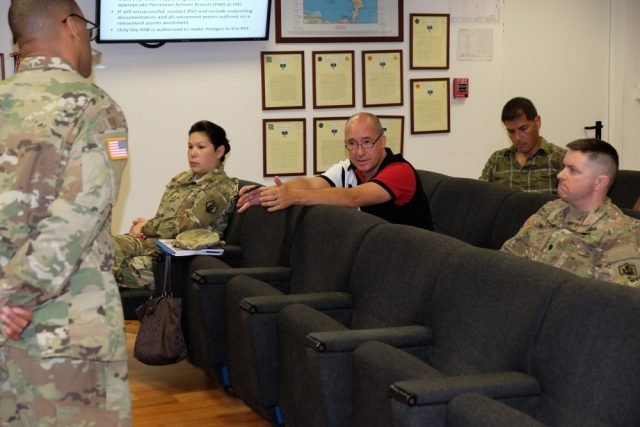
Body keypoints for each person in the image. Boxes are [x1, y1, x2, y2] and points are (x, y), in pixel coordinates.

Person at [0, 0, 132, 424]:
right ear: (73, 26)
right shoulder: (95, 107)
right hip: (68, 335)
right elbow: (76, 217)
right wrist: (13, 298)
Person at [237, 112, 433, 229]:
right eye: (352, 144)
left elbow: (353, 198)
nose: (359, 152)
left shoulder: (400, 172)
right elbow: (311, 184)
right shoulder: (348, 168)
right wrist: (275, 191)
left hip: (415, 260)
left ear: (382, 141)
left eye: (367, 142)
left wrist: (293, 197)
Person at [113, 120, 239, 288]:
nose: (193, 153)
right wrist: (147, 229)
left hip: (179, 256)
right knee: (102, 247)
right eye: (190, 146)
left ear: (219, 151)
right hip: (155, 243)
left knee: (110, 272)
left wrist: (146, 227)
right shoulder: (181, 179)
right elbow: (165, 218)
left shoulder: (221, 187)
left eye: (201, 147)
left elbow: (188, 225)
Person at [502, 138, 640, 287]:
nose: (560, 175)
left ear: (600, 182)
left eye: (572, 170)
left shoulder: (618, 234)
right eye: (564, 167)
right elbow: (507, 258)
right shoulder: (550, 210)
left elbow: (617, 301)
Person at [480, 97, 566, 194]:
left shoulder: (561, 159)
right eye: (511, 131)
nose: (517, 138)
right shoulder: (497, 160)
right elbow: (480, 198)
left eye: (523, 129)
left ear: (537, 122)